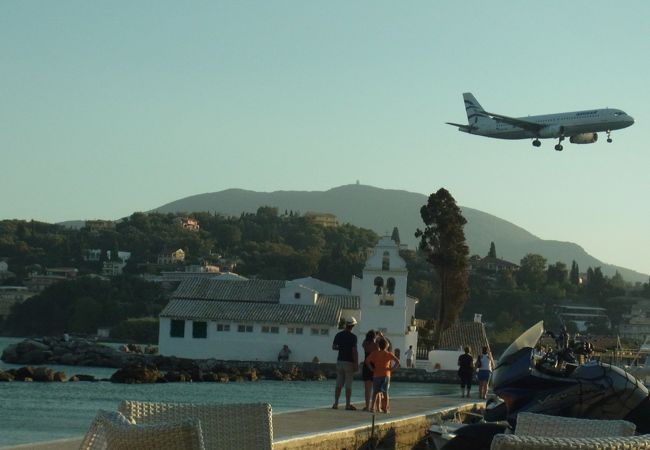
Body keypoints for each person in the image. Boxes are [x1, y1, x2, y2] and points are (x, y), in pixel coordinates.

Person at [365, 337, 400, 413]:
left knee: (375, 392)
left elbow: (367, 361)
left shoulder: (375, 353)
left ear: (379, 345)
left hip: (376, 375)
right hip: (386, 375)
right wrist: (392, 369)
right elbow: (397, 361)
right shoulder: (388, 354)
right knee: (385, 392)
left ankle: (372, 408)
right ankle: (385, 408)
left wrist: (371, 368)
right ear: (387, 346)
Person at [332, 316, 359, 410]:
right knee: (348, 385)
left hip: (340, 361)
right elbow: (354, 351)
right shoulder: (353, 337)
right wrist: (356, 363)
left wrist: (341, 348)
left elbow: (334, 347)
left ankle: (336, 403)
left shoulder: (339, 335)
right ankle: (347, 404)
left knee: (338, 384)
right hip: (349, 362)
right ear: (353, 326)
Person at [361, 329, 379, 411]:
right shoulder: (375, 345)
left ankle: (367, 406)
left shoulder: (364, 344)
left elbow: (364, 342)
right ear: (374, 337)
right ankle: (374, 406)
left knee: (367, 388)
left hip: (366, 365)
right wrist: (378, 336)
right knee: (375, 388)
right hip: (373, 366)